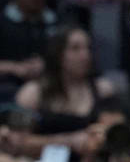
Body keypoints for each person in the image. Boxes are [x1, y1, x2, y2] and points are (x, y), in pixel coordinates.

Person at [13, 27, 116, 157]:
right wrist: (68, 141)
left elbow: (115, 134)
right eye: (75, 49)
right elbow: (16, 142)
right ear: (58, 54)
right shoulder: (33, 93)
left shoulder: (103, 89)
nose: (85, 55)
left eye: (88, 48)